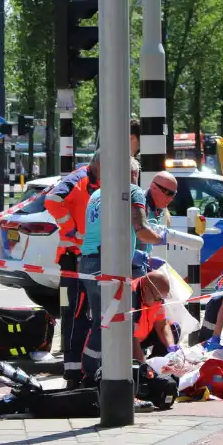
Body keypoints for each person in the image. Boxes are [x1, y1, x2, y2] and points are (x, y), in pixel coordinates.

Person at [79, 157, 168, 383]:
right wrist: (160, 237)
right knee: (118, 321)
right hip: (110, 265)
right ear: (133, 174)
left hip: (88, 262)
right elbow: (140, 228)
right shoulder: (133, 191)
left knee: (101, 321)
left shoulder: (97, 195)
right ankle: (122, 378)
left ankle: (91, 373)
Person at [44, 152, 101, 387]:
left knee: (89, 316)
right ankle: (72, 373)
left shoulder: (102, 182)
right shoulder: (78, 178)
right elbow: (52, 199)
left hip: (89, 259)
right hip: (71, 260)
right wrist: (71, 228)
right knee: (72, 314)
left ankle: (84, 370)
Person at [130, 268, 180, 360]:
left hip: (143, 336)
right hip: (128, 341)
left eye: (162, 299)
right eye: (158, 298)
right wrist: (143, 365)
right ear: (145, 289)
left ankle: (158, 364)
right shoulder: (130, 298)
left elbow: (162, 325)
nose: (160, 302)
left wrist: (171, 347)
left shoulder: (156, 297)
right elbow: (130, 338)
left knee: (174, 329)